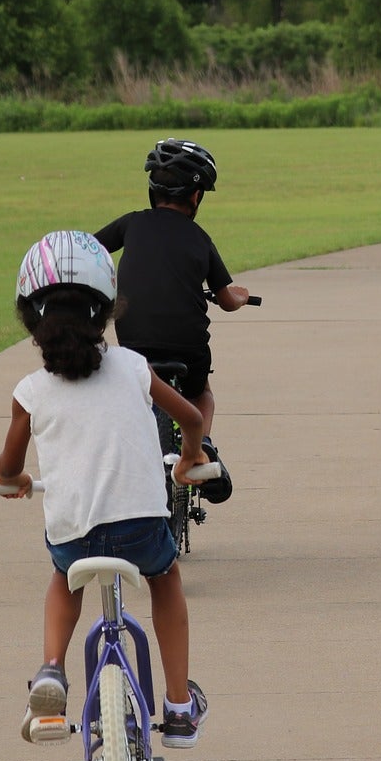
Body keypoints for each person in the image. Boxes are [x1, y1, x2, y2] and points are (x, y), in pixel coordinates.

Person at [0, 230, 210, 749]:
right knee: (166, 578)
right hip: (142, 530)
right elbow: (191, 418)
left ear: (31, 319)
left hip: (74, 535)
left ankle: (51, 671)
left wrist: (13, 481)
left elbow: (8, 467)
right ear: (106, 310)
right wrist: (189, 457)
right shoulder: (133, 367)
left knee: (63, 578)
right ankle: (179, 706)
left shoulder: (30, 391)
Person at [93, 137, 250, 504]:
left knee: (137, 387)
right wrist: (240, 296)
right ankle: (202, 445)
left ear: (152, 189)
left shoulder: (132, 223)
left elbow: (90, 248)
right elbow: (227, 301)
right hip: (188, 344)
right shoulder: (200, 239)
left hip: (135, 340)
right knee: (201, 393)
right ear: (196, 196)